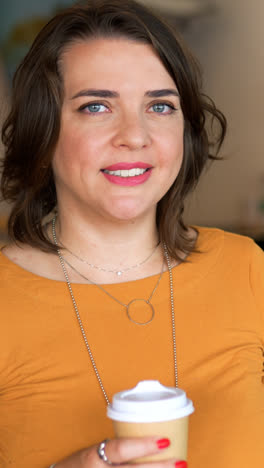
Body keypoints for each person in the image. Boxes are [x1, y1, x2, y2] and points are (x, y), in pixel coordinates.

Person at [0, 0, 263, 467]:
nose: (134, 135)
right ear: (44, 131)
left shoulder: (247, 268)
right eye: (96, 106)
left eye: (160, 106)